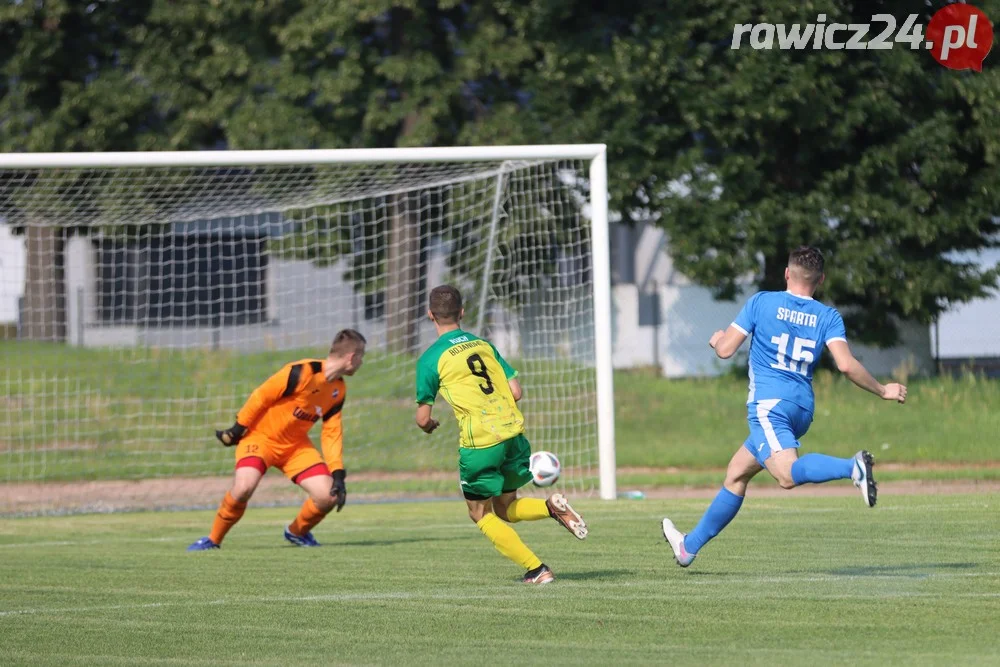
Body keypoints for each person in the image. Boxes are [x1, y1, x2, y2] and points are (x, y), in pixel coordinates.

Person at [662, 246, 907, 567]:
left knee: (787, 476)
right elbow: (846, 366)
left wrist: (716, 339)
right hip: (802, 408)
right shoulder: (827, 316)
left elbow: (724, 350)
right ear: (821, 279)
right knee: (737, 474)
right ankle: (688, 547)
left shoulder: (762, 302)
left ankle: (852, 468)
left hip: (768, 407)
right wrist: (882, 390)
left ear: (787, 274)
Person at [414, 285, 588, 584]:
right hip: (513, 434)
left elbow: (422, 418)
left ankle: (536, 569)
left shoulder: (431, 359)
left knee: (479, 514)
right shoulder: (483, 344)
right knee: (505, 509)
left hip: (481, 442)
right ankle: (550, 507)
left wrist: (430, 426)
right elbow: (516, 391)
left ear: (431, 315)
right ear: (462, 313)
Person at [187, 329, 366, 551]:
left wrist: (337, 473)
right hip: (261, 439)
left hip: (295, 447)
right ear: (351, 357)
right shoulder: (301, 372)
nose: (361, 362)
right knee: (243, 488)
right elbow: (261, 396)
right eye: (361, 356)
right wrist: (237, 429)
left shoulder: (338, 389)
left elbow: (331, 432)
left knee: (328, 496)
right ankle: (213, 540)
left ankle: (297, 532)